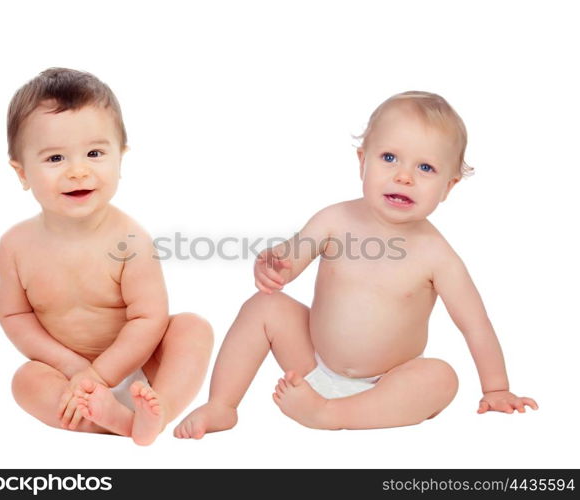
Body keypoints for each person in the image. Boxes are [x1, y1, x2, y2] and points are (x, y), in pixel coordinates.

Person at [175, 91, 537, 438]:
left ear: (448, 186)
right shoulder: (335, 219)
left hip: (387, 385)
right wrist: (271, 265)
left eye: (426, 167)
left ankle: (329, 414)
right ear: (363, 161)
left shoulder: (438, 256)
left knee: (441, 377)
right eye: (390, 158)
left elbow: (475, 325)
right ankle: (222, 405)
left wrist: (497, 388)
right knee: (263, 307)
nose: (404, 176)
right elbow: (290, 258)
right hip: (312, 362)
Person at [0, 68, 213, 445]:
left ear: (120, 158)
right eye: (55, 158)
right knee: (25, 381)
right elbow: (14, 315)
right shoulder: (15, 246)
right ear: (22, 172)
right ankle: (114, 422)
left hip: (143, 368)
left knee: (192, 329)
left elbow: (149, 318)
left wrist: (102, 375)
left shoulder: (131, 240)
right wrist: (74, 368)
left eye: (95, 153)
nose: (78, 171)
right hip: (67, 378)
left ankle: (158, 410)